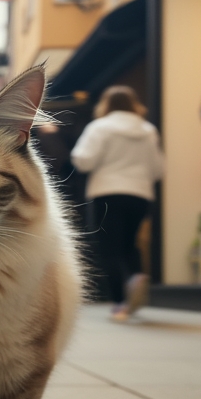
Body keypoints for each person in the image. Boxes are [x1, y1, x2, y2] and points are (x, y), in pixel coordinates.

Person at [70, 86, 164, 322]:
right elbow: (158, 169)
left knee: (109, 248)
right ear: (134, 104)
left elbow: (83, 160)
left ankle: (120, 303)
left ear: (106, 105)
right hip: (140, 194)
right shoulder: (149, 130)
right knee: (130, 244)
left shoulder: (100, 127)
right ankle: (136, 276)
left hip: (107, 192)